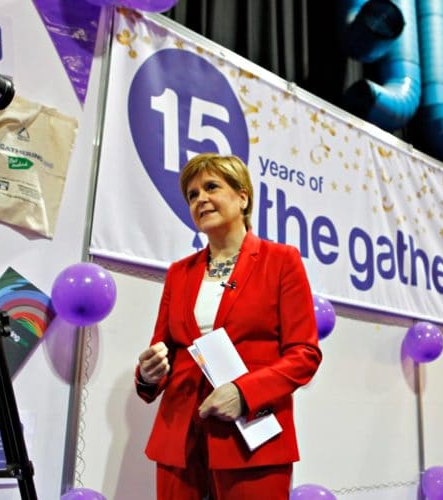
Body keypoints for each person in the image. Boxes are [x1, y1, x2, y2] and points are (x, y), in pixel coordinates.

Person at [136, 153, 322, 500]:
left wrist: (244, 393)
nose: (200, 199)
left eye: (211, 187)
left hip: (249, 438)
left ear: (242, 197)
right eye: (192, 195)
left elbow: (305, 354)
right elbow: (164, 349)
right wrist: (148, 373)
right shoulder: (179, 272)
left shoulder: (282, 261)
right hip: (178, 440)